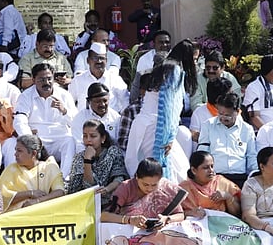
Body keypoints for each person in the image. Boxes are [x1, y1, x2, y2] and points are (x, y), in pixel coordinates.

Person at [125, 39, 197, 181]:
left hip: (144, 123)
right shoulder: (174, 71)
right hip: (156, 127)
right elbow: (171, 108)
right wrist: (169, 138)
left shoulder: (164, 68)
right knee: (174, 170)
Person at [11, 64, 77, 175]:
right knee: (15, 144)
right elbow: (19, 120)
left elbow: (75, 122)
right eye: (41, 79)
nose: (46, 82)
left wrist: (64, 110)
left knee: (70, 141)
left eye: (49, 79)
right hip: (37, 139)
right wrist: (29, 138)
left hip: (59, 139)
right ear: (33, 80)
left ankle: (64, 180)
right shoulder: (25, 96)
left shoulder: (64, 95)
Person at [100, 157, 186, 230]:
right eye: (145, 184)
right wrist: (129, 220)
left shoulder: (167, 189)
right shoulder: (126, 188)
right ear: (137, 177)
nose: (149, 189)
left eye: (154, 185)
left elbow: (180, 215)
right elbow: (104, 216)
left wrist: (167, 219)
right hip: (129, 235)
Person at [197, 93, 256, 187]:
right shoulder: (208, 125)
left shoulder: (247, 129)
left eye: (227, 115)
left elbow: (251, 155)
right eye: (220, 114)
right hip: (215, 177)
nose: (223, 118)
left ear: (237, 111)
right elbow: (202, 152)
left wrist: (254, 174)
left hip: (239, 176)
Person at [67, 120, 129, 208]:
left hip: (110, 201)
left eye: (93, 136)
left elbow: (119, 178)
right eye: (85, 136)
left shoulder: (112, 153)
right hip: (86, 203)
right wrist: (87, 160)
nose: (88, 140)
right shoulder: (79, 157)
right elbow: (87, 186)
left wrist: (107, 189)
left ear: (103, 138)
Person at [0, 134, 65, 211]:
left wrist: (37, 201)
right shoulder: (11, 169)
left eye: (20, 151)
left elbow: (60, 192)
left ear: (33, 153)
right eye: (15, 150)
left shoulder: (49, 167)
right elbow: (0, 197)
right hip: (14, 217)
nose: (15, 154)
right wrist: (30, 193)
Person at [69, 43, 128, 111]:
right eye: (95, 58)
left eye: (102, 58)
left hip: (110, 121)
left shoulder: (115, 79)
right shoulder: (78, 80)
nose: (99, 61)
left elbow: (125, 102)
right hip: (85, 120)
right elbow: (69, 103)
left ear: (106, 61)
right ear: (88, 60)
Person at [71, 83, 122, 147]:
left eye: (105, 101)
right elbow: (79, 144)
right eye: (98, 102)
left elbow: (119, 142)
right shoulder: (80, 118)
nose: (102, 104)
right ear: (89, 101)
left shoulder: (116, 117)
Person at [189, 77, 232, 142]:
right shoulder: (199, 113)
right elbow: (194, 136)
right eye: (230, 94)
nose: (233, 96)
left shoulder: (234, 112)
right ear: (219, 98)